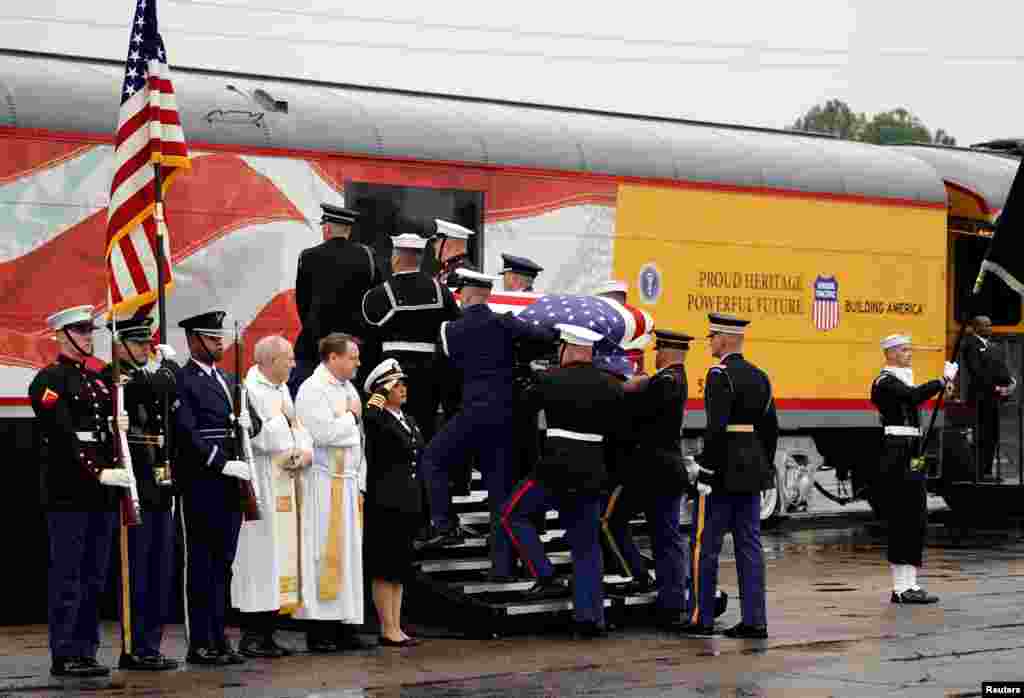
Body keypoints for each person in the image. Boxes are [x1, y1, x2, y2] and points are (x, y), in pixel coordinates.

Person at [418, 268, 559, 585]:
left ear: (465, 295)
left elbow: (444, 371)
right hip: (506, 418)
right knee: (500, 494)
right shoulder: (506, 323)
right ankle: (502, 567)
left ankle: (444, 524)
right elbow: (547, 337)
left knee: (433, 459)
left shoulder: (450, 330)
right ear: (487, 295)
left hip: (471, 414)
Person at [501, 324, 623, 638]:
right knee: (586, 547)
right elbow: (619, 435)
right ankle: (590, 619)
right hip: (592, 471)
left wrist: (529, 374)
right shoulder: (611, 385)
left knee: (512, 514)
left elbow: (521, 406)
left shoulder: (550, 378)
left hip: (554, 468)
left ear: (568, 348)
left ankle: (544, 574)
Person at [30, 305, 123, 677]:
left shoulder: (98, 380)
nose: (88, 337)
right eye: (81, 331)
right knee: (69, 576)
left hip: (100, 494)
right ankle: (65, 652)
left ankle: (86, 649)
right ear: (62, 335)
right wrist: (98, 472)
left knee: (94, 576)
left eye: (90, 331)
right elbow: (64, 436)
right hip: (69, 493)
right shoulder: (48, 382)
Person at [174, 310, 261, 665]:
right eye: (211, 338)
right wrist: (219, 461)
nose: (219, 343)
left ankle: (220, 636)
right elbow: (186, 432)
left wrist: (248, 422)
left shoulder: (228, 378)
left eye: (220, 337)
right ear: (193, 340)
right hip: (203, 481)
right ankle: (201, 642)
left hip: (231, 482)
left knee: (224, 563)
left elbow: (252, 423)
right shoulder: (183, 379)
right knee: (202, 564)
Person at [684, 313, 778, 639]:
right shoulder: (761, 376)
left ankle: (702, 617)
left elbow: (715, 429)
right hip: (752, 470)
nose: (710, 341)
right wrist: (762, 464)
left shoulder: (719, 375)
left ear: (724, 338)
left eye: (712, 336)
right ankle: (755, 620)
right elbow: (770, 429)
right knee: (749, 545)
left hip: (723, 472)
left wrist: (706, 470)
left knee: (706, 545)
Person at [100, 316, 180, 671]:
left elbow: (169, 395)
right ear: (120, 346)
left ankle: (152, 644)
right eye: (138, 344)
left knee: (160, 569)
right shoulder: (115, 378)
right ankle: (134, 647)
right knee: (138, 570)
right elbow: (153, 389)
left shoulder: (149, 373)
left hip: (160, 484)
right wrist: (168, 366)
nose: (146, 349)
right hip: (135, 485)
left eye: (148, 343)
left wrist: (164, 369)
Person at [603, 329, 694, 629]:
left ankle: (639, 577)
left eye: (658, 351)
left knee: (611, 522)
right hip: (666, 472)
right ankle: (671, 603)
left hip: (649, 473)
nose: (655, 355)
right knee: (666, 538)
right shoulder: (676, 379)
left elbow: (634, 416)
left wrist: (626, 388)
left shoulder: (664, 382)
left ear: (665, 353)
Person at [232, 335, 312, 658]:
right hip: (262, 482)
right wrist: (287, 432)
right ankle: (252, 634)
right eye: (288, 359)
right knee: (260, 560)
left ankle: (268, 631)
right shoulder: (250, 390)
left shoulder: (281, 390)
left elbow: (298, 428)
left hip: (284, 477)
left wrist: (302, 450)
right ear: (269, 362)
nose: (294, 364)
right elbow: (260, 435)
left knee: (280, 558)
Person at [294, 333, 374, 652]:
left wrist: (361, 480)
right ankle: (320, 628)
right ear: (333, 358)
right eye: (352, 357)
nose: (358, 363)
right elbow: (323, 433)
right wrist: (352, 416)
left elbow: (360, 441)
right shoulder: (312, 390)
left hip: (348, 482)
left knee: (348, 556)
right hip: (324, 482)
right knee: (323, 554)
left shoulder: (348, 389)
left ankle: (344, 623)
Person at [872, 334, 957, 604]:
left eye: (910, 349)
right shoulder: (884, 382)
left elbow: (915, 395)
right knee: (901, 517)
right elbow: (912, 396)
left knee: (916, 517)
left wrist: (945, 387)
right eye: (905, 350)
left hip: (912, 450)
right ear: (891, 353)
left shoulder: (903, 380)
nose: (910, 354)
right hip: (896, 452)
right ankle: (900, 587)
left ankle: (911, 584)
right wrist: (940, 381)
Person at [362, 232, 461, 446]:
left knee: (390, 431)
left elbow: (368, 342)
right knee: (425, 429)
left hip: (391, 374)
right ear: (421, 258)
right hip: (430, 375)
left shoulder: (377, 295)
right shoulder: (442, 292)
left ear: (395, 258)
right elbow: (453, 333)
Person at [362, 359, 425, 647]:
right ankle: (387, 627)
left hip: (406, 501)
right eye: (395, 385)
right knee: (384, 566)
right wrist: (376, 398)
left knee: (399, 568)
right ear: (382, 391)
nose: (403, 389)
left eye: (403, 383)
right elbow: (370, 422)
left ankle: (396, 625)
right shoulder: (378, 419)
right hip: (384, 501)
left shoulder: (407, 419)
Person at [291, 204, 379, 399]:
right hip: (355, 347)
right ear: (349, 230)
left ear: (327, 228)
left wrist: (319, 337)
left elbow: (303, 304)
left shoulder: (308, 256)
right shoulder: (367, 256)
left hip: (316, 348)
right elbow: (373, 301)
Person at [961, 316, 1016, 480]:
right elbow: (977, 373)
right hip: (980, 399)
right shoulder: (970, 345)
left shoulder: (994, 346)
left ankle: (987, 472)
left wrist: (1010, 383)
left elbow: (1001, 370)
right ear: (975, 327)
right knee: (981, 437)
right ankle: (978, 473)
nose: (989, 328)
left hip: (993, 400)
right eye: (985, 325)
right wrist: (996, 388)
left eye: (990, 325)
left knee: (992, 437)